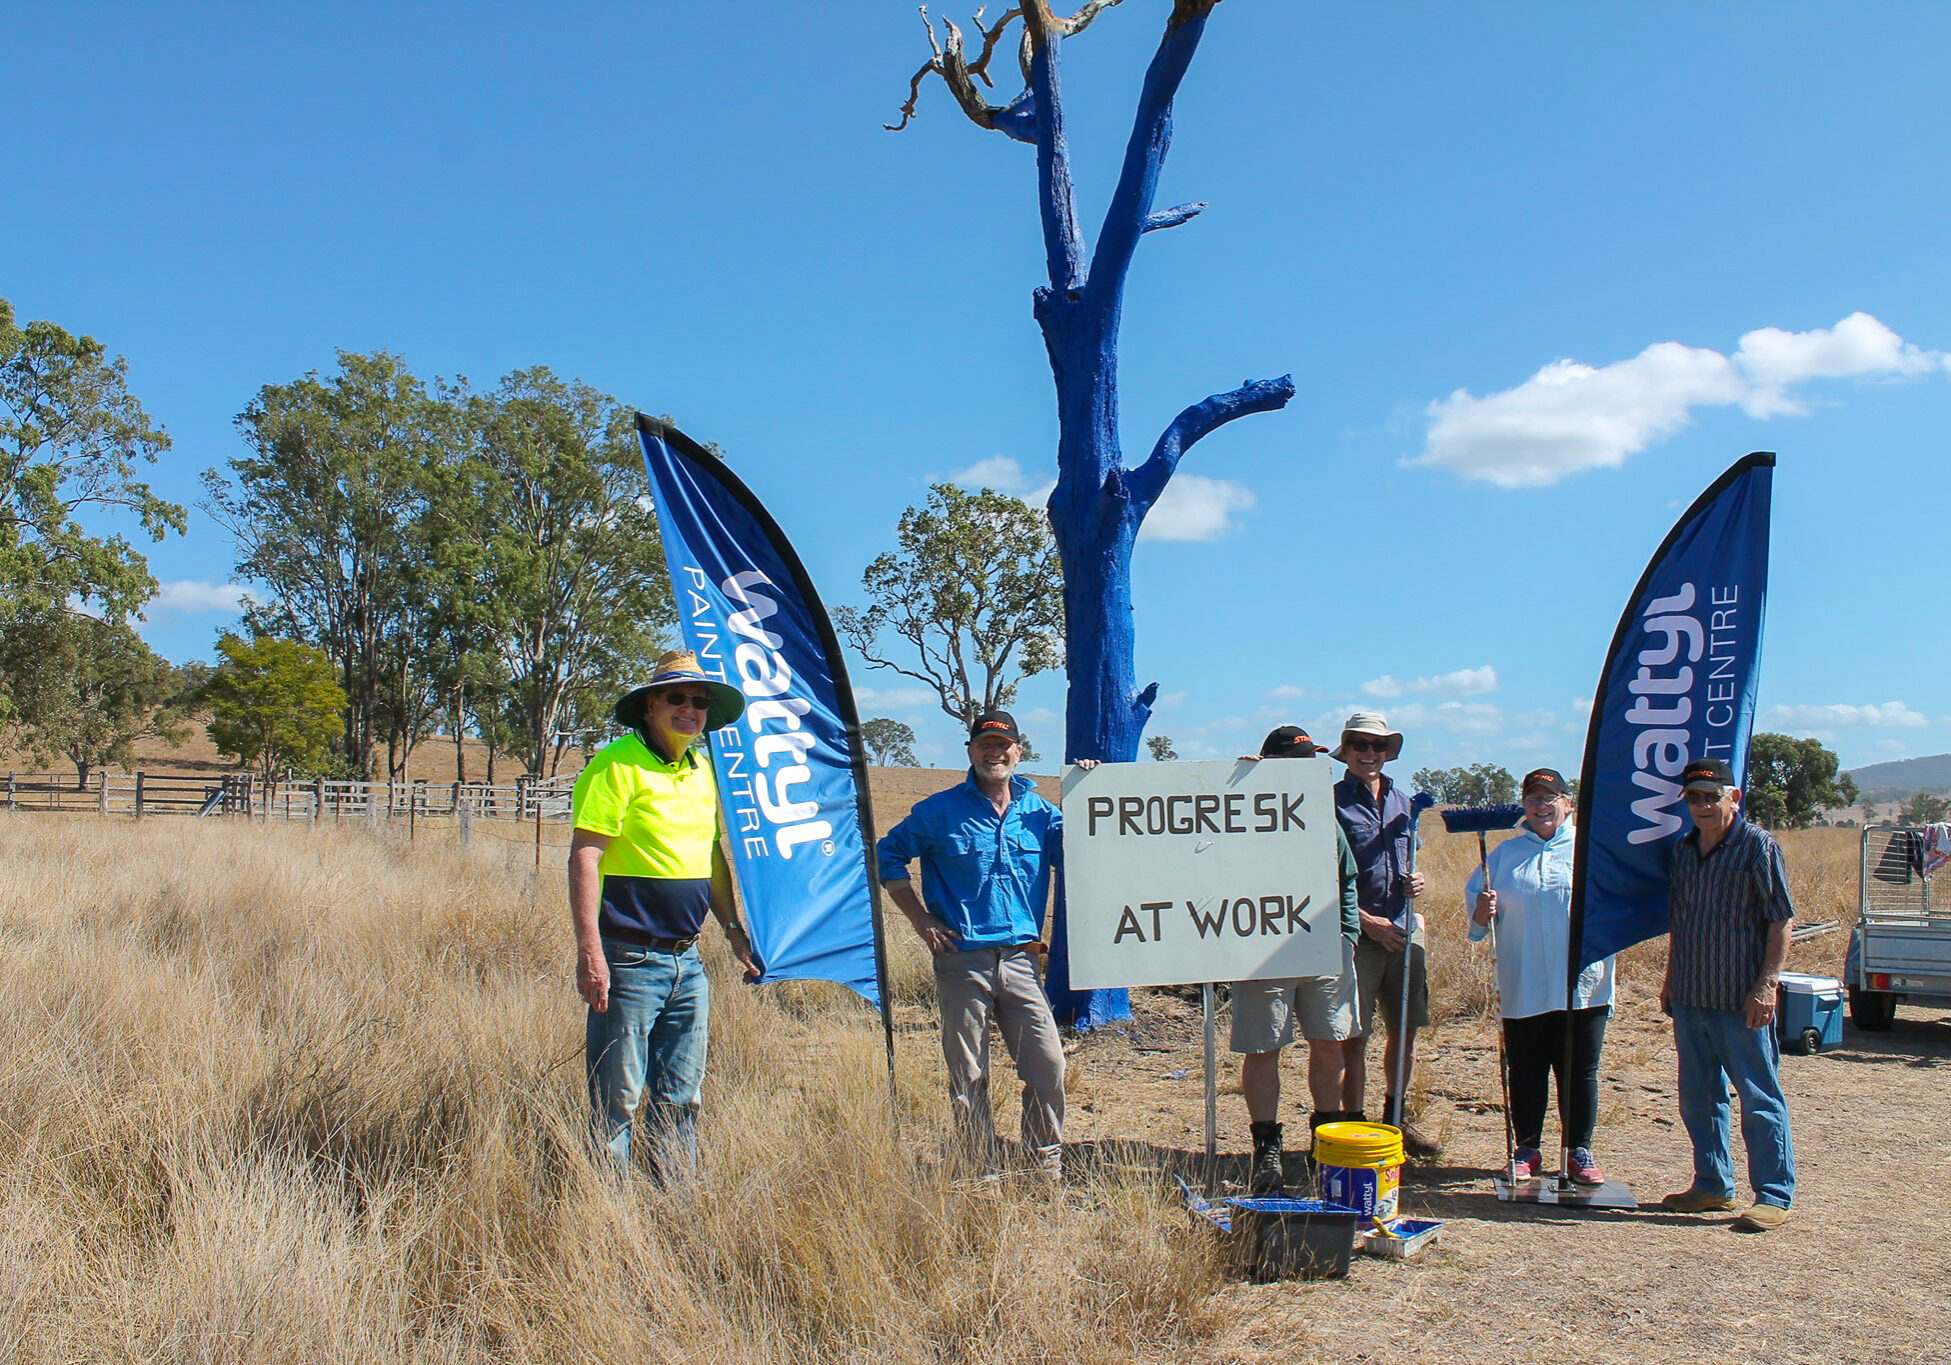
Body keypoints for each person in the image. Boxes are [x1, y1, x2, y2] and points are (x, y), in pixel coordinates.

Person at [570, 649, 759, 1182]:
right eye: (677, 697)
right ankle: (609, 1222)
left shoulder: (703, 771)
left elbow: (711, 855)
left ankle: (676, 1209)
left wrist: (732, 930)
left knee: (682, 1097)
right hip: (628, 960)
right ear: (651, 705)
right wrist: (591, 954)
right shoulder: (615, 765)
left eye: (699, 702)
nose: (689, 709)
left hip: (689, 963)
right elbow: (586, 855)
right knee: (617, 1102)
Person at [876, 711, 1084, 1182]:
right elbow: (888, 853)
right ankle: (979, 1166)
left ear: (1019, 751)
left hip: (1023, 959)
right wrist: (919, 919)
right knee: (969, 1072)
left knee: (1047, 1065)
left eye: (1004, 745)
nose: (996, 753)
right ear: (970, 751)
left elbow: (1090, 842)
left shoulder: (1041, 814)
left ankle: (1042, 1166)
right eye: (986, 744)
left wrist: (1091, 786)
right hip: (961, 959)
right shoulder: (938, 811)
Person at [1658, 757, 1797, 1232]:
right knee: (1699, 1097)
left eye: (1710, 796)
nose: (1701, 806)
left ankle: (1774, 1195)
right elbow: (1681, 920)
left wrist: (1767, 985)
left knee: (1759, 1096)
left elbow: (1781, 920)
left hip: (1742, 1000)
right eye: (1693, 798)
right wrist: (1672, 978)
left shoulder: (1758, 847)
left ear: (1732, 798)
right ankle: (1712, 1183)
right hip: (1692, 995)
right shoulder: (1682, 849)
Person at [1465, 767, 1616, 1183]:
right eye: (1533, 798)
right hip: (1523, 980)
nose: (1542, 806)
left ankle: (1578, 1151)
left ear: (1568, 804)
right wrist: (1481, 913)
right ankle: (1527, 1148)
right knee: (1527, 1068)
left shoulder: (1591, 852)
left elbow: (1618, 907)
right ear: (1523, 807)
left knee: (1579, 1069)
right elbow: (1478, 925)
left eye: (1551, 798)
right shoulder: (1503, 855)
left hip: (1583, 984)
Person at [1230, 726, 1364, 1192]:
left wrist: (1347, 935)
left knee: (1329, 1041)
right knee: (1263, 1046)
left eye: (1311, 761)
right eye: (1296, 760)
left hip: (1325, 948)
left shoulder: (1323, 817)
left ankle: (1324, 1139)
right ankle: (1266, 1146)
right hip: (1261, 950)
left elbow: (1347, 876)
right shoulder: (1238, 809)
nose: (1307, 768)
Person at [1332, 710, 1442, 1156]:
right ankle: (1353, 1124)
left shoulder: (1404, 801)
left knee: (1406, 1029)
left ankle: (1395, 1120)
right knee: (1354, 1035)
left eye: (1378, 746)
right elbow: (1320, 875)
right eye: (1360, 744)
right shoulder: (1330, 801)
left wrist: (1419, 881)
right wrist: (1365, 921)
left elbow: (1409, 858)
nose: (1369, 753)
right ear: (1347, 749)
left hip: (1404, 929)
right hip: (1359, 933)